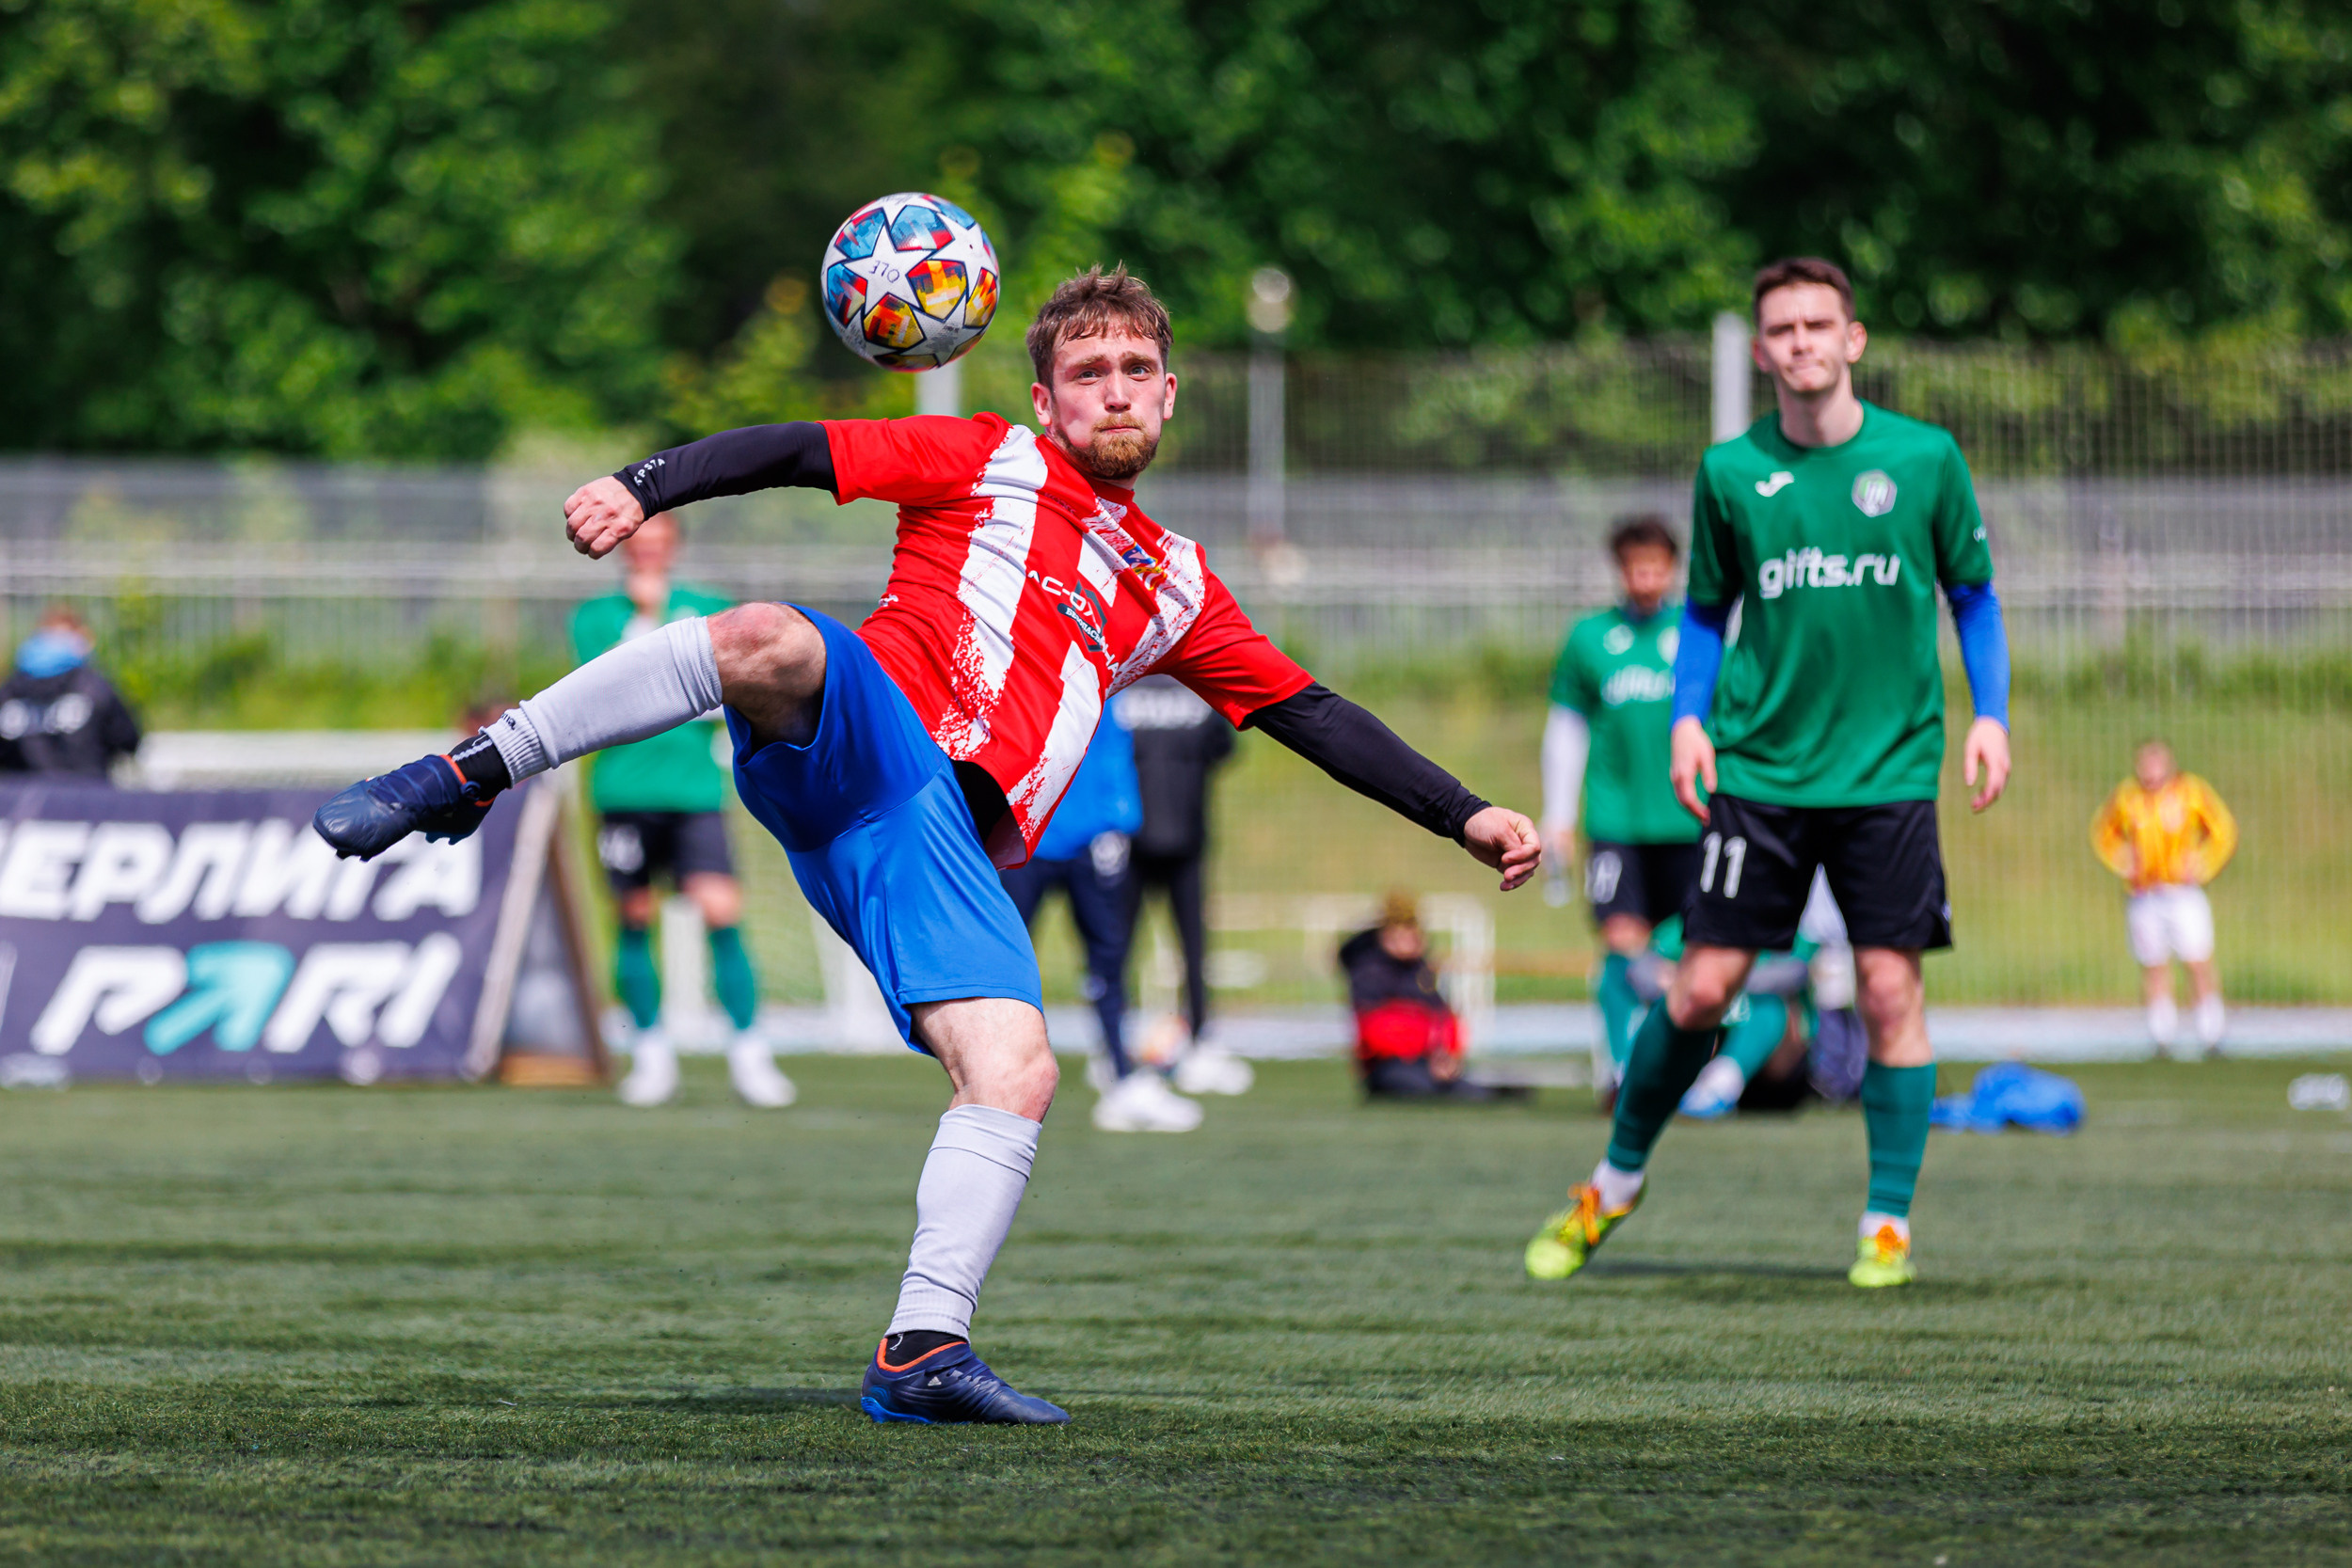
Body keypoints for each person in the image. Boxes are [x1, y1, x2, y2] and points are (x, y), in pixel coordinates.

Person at [313, 265, 1541, 1426]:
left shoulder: (1175, 582)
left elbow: (1306, 709)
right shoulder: (987, 457)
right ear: (1044, 397)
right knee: (767, 636)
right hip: (869, 728)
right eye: (1089, 369)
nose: (1114, 387)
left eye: (1136, 368)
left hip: (932, 839)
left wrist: (1464, 811)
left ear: (1169, 393)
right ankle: (466, 771)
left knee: (1017, 1068)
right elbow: (798, 447)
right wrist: (648, 484)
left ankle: (921, 1348)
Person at [1523, 256, 2012, 1291]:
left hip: (1887, 774)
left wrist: (1992, 716)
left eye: (1816, 325)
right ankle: (1612, 1182)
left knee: (1888, 990)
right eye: (1781, 329)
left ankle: (1885, 1221)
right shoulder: (1731, 471)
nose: (1800, 343)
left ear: (1853, 339)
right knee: (1701, 984)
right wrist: (1689, 720)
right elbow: (1703, 609)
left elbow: (1972, 594)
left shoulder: (1922, 459)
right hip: (1762, 773)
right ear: (1760, 351)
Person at [569, 511, 793, 1111]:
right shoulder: (597, 618)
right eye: (639, 545)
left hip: (693, 791)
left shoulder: (709, 607)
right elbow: (608, 687)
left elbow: (734, 686)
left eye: (659, 544)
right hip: (624, 792)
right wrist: (647, 617)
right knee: (634, 914)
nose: (649, 554)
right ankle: (650, 1054)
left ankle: (749, 1052)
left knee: (721, 908)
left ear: (674, 548)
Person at [1542, 515, 1697, 1104]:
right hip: (1616, 823)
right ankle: (1620, 1072)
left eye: (1657, 566)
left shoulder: (1699, 634)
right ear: (1620, 569)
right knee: (1620, 941)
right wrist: (1558, 815)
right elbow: (1566, 728)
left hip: (1690, 819)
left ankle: (1683, 1067)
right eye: (1636, 567)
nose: (1647, 578)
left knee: (1689, 947)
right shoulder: (1590, 639)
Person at [1000, 708, 1202, 1132]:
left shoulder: (1092, 677)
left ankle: (1119, 1074)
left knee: (1108, 961)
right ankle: (991, 1076)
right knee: (1003, 965)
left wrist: (1120, 821)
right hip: (1022, 841)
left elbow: (1113, 748)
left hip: (1087, 843)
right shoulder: (1008, 673)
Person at [1112, 672, 1252, 1096]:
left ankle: (1116, 1042)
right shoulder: (1199, 690)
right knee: (1190, 947)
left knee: (1118, 948)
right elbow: (1224, 749)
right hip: (1181, 837)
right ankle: (1198, 1040)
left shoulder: (1117, 688)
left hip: (1132, 837)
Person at [2090, 740, 2236, 1057]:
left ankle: (2211, 1031)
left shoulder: (2191, 792)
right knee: (2154, 964)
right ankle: (2162, 1034)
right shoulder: (2128, 797)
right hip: (2144, 894)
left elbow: (2223, 831)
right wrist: (2123, 860)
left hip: (2182, 892)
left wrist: (2202, 864)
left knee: (2197, 960)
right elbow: (2102, 833)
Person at [0, 607, 141, 779]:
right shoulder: (93, 686)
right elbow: (127, 739)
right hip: (86, 797)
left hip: (22, 800)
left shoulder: (9, 690)